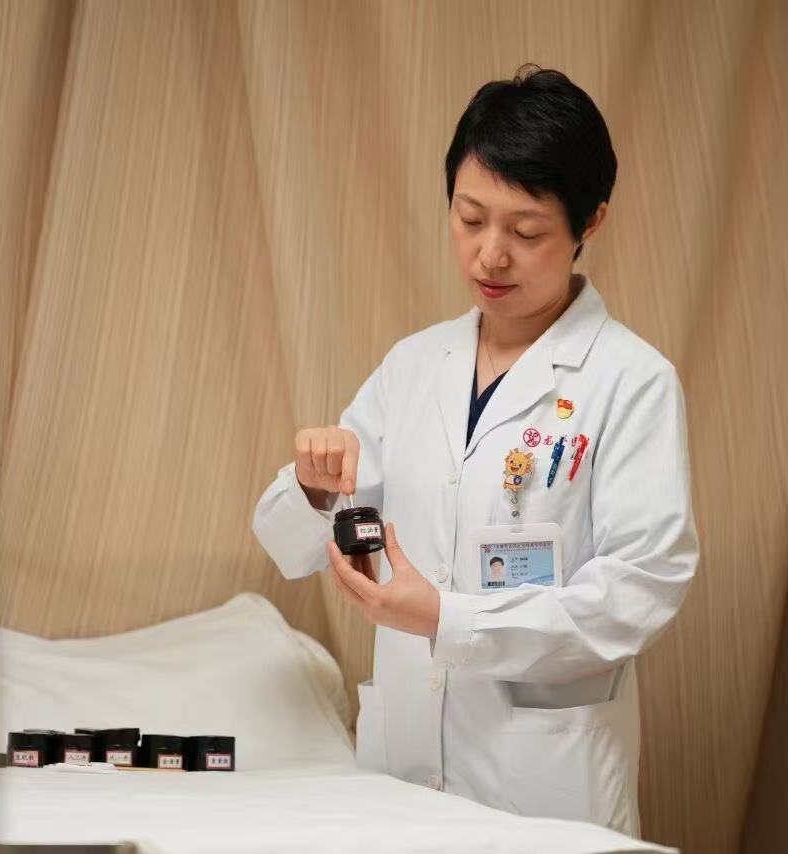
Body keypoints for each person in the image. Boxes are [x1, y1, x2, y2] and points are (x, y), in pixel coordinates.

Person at [251, 65, 698, 836]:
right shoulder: (413, 367)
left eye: (526, 232)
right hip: (401, 778)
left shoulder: (631, 380)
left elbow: (640, 589)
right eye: (470, 219)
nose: (490, 255)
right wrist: (316, 484)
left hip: (546, 789)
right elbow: (286, 544)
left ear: (590, 223)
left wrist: (449, 620)